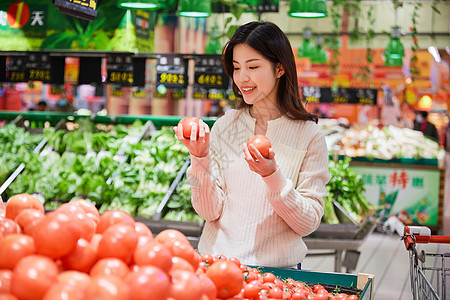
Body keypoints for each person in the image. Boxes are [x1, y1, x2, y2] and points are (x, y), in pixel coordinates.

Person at [174, 21, 330, 269]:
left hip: (276, 275)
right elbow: (208, 211)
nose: (242, 78)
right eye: (236, 68)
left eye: (253, 66)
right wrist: (199, 157)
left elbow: (308, 222)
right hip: (217, 265)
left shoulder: (309, 136)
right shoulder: (226, 126)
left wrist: (272, 176)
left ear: (280, 68)